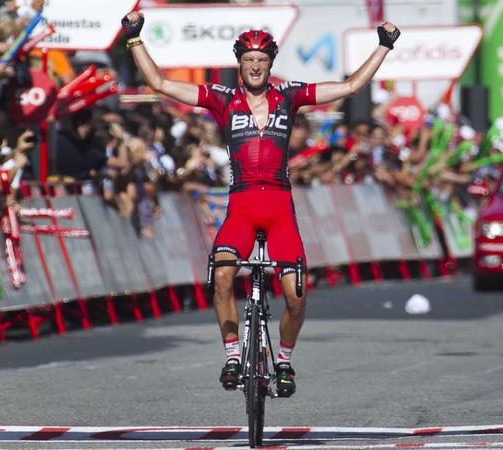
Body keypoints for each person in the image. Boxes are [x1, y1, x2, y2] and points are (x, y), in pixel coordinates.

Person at [121, 10, 401, 397]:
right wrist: (135, 39)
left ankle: (283, 360)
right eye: (249, 60)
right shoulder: (223, 98)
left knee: (296, 296)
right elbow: (159, 83)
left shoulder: (290, 95)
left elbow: (351, 86)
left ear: (271, 64)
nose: (255, 66)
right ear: (239, 64)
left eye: (262, 60)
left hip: (279, 209)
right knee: (221, 276)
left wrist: (384, 47)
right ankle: (233, 356)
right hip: (241, 207)